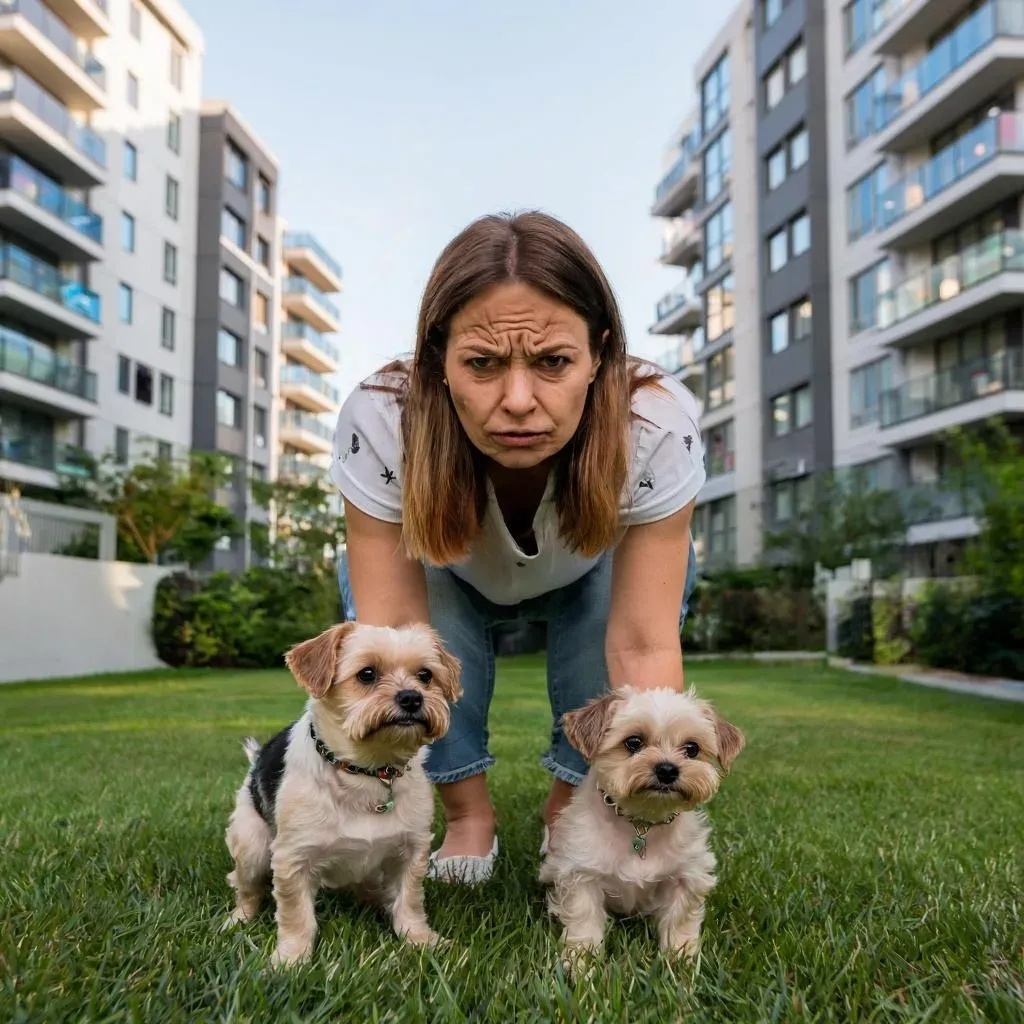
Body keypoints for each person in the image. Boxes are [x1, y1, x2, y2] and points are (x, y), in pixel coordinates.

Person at [330, 211, 705, 883]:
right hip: (445, 572)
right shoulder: (382, 419)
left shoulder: (656, 423)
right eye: (482, 363)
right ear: (439, 361)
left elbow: (643, 646)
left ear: (600, 354)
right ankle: (468, 818)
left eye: (553, 361)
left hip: (593, 572)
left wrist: (608, 799)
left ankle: (567, 810)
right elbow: (394, 646)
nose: (519, 400)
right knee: (407, 643)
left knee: (613, 611)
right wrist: (461, 805)